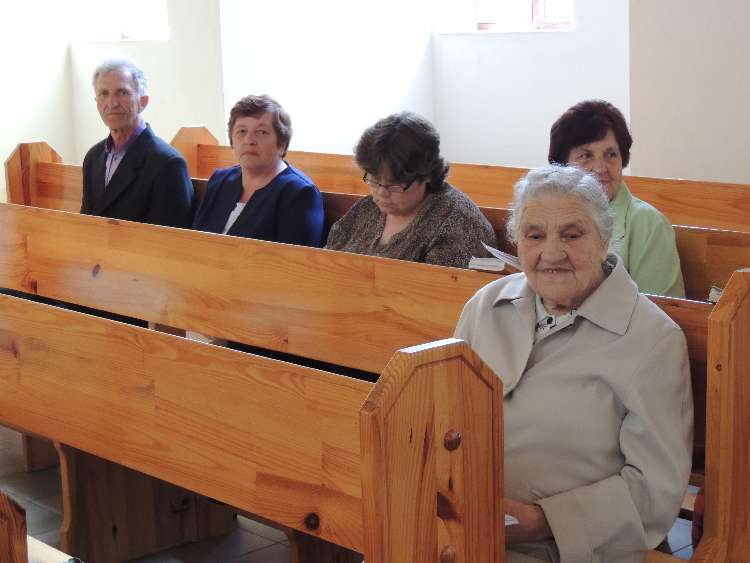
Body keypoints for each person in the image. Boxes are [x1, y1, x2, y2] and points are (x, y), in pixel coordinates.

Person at [454, 165, 693, 562]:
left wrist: (543, 521)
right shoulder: (485, 307)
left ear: (604, 239)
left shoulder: (653, 340)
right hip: (462, 530)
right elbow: (443, 411)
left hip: (566, 550)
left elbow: (655, 491)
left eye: (572, 234)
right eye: (534, 235)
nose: (551, 253)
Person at [549, 100, 685, 297]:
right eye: (586, 156)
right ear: (562, 165)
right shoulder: (547, 214)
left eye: (610, 154)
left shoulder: (648, 223)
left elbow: (659, 311)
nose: (600, 168)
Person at [325, 112, 496, 267]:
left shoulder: (458, 224)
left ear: (427, 174)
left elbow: (444, 288)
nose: (382, 193)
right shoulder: (367, 209)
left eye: (394, 184)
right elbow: (326, 258)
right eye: (375, 181)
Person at [192, 95, 323, 247]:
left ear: (282, 144)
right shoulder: (220, 180)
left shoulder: (299, 193)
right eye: (242, 131)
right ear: (232, 142)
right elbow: (194, 242)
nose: (249, 140)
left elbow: (294, 261)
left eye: (261, 132)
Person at [81, 58, 193, 227]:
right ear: (97, 102)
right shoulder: (93, 157)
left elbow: (169, 238)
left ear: (143, 101)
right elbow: (85, 225)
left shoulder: (167, 164)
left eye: (122, 92)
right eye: (104, 94)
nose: (112, 103)